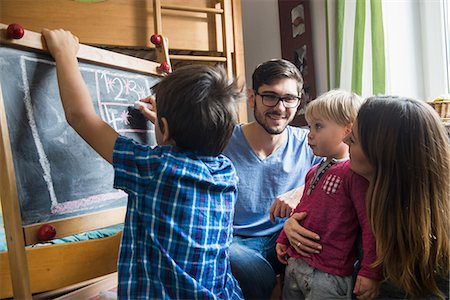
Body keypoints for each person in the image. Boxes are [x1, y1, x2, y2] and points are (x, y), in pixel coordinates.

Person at [42, 29, 245, 299]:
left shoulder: (155, 169)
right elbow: (182, 149)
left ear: (164, 127)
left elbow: (80, 117)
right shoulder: (225, 172)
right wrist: (166, 127)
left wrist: (64, 53)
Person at [285, 96, 450, 299]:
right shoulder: (363, 192)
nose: (344, 141)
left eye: (353, 139)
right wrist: (291, 225)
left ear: (384, 153)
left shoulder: (431, 249)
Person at [222, 59, 322, 299]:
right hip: (237, 242)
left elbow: (341, 170)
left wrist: (300, 191)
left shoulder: (309, 142)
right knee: (232, 258)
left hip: (290, 236)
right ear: (251, 97)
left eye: (289, 99)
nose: (280, 107)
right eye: (270, 96)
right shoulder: (223, 140)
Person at [275, 90, 381, 299]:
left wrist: (370, 271)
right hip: (297, 263)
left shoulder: (353, 173)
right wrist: (284, 237)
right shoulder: (314, 171)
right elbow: (303, 209)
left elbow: (370, 225)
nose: (310, 134)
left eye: (318, 126)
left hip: (329, 274)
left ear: (347, 130)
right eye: (309, 126)